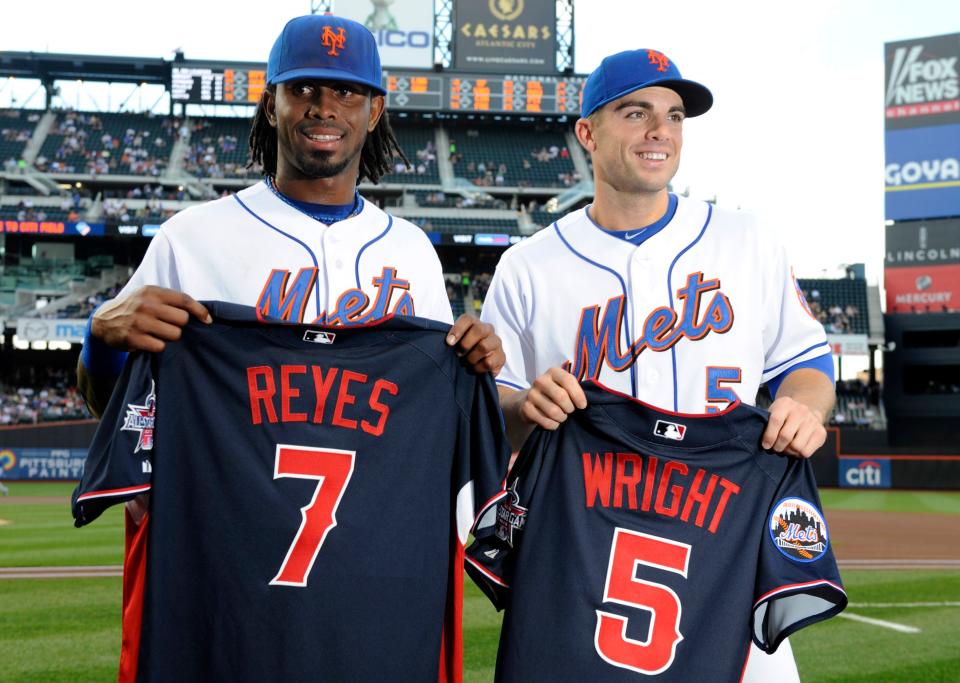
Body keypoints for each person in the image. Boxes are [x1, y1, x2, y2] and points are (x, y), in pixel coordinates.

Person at [480, 48, 835, 682]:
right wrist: (524, 406)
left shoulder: (746, 239)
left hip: (730, 550)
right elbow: (498, 419)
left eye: (674, 116)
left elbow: (807, 368)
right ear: (587, 132)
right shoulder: (529, 266)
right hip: (584, 566)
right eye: (636, 112)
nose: (660, 131)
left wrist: (804, 409)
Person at [78, 14, 504, 420]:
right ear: (270, 105)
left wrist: (475, 361)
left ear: (373, 112)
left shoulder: (412, 251)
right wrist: (101, 342)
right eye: (302, 89)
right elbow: (111, 408)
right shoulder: (190, 238)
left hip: (376, 496)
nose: (324, 108)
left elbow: (435, 405)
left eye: (346, 91)